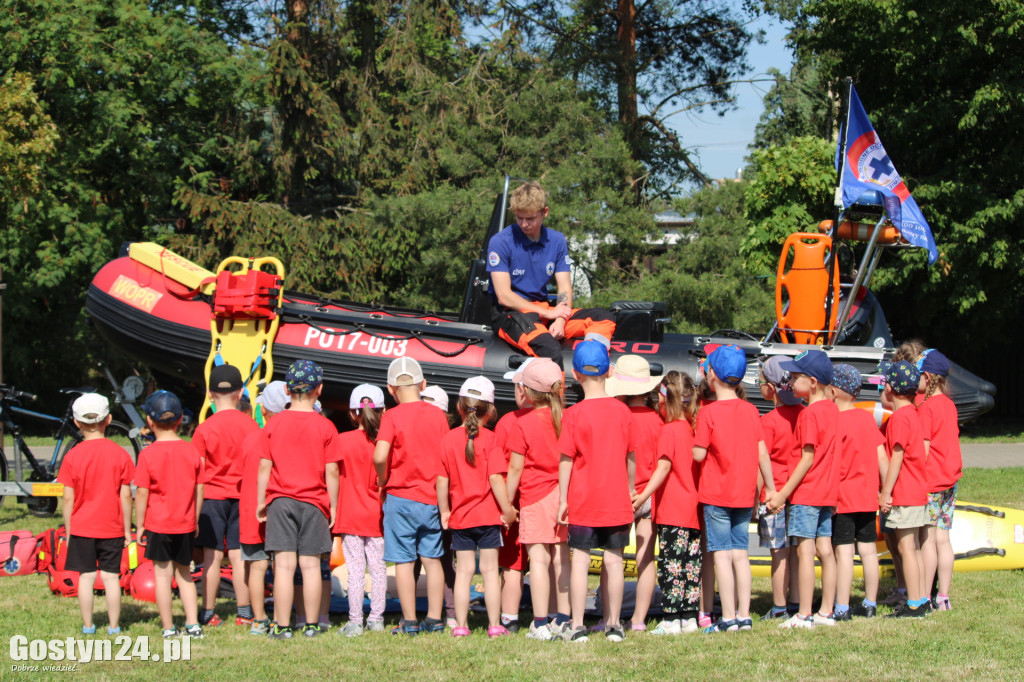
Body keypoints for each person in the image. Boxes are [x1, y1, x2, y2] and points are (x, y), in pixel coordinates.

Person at [556, 340, 635, 643]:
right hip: (616, 499)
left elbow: (566, 460)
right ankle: (614, 624)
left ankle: (577, 626)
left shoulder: (573, 415)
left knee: (580, 560)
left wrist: (563, 499)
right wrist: (630, 488)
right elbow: (631, 457)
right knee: (614, 560)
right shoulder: (623, 412)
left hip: (583, 499)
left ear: (575, 374)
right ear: (610, 372)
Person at [693, 344, 775, 633]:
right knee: (741, 553)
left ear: (711, 375)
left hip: (716, 495)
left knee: (721, 555)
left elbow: (700, 455)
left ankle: (726, 617)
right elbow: (763, 453)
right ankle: (744, 615)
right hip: (743, 495)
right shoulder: (752, 411)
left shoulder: (708, 414)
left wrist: (693, 446)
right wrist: (772, 488)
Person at [486, 181, 615, 363]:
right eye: (518, 218)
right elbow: (504, 296)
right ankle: (556, 390)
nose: (524, 224)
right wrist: (547, 314)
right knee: (550, 350)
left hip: (546, 311)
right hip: (512, 314)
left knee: (604, 317)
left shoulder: (556, 240)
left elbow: (564, 288)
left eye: (530, 218)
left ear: (544, 212)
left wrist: (561, 319)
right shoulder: (501, 242)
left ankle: (592, 364)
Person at [257, 360, 340, 639]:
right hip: (315, 502)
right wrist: (334, 506)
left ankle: (281, 625)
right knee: (311, 565)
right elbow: (332, 471)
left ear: (286, 389)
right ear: (320, 389)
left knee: (283, 565)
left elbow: (264, 467)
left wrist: (261, 501)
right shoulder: (326, 427)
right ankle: (312, 624)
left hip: (280, 500)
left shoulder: (274, 423)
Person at [373, 356, 451, 635]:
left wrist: (383, 479)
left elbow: (380, 454)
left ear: (390, 389)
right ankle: (435, 618)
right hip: (431, 497)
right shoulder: (438, 416)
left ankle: (409, 621)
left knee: (404, 562)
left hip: (400, 497)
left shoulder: (391, 416)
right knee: (432, 559)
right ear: (423, 384)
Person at [437, 377, 517, 637]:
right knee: (490, 572)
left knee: (464, 572)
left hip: (461, 517)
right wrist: (507, 510)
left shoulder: (448, 440)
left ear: (460, 407)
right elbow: (496, 478)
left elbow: (442, 480)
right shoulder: (492, 440)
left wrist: (444, 511)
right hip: (487, 516)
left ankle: (461, 626)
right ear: (491, 411)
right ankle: (494, 625)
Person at [769, 350, 840, 630]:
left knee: (805, 551)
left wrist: (783, 494)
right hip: (827, 494)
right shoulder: (833, 410)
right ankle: (826, 612)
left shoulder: (809, 414)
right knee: (826, 551)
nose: (790, 380)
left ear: (812, 382)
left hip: (807, 494)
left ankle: (804, 614)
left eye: (795, 376)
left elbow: (806, 458)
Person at [57, 393, 135, 635]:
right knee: (112, 578)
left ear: (77, 423)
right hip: (112, 527)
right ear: (109, 419)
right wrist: (126, 529)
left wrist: (69, 529)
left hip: (81, 527)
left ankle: (88, 626)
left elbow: (68, 497)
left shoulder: (72, 456)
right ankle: (114, 626)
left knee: (86, 578)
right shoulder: (120, 454)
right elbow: (126, 496)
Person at [505, 357, 571, 640]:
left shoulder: (523, 423)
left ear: (528, 392)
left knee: (539, 560)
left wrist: (507, 503)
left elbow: (515, 467)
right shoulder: (568, 418)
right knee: (562, 559)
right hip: (565, 495)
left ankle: (541, 622)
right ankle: (564, 618)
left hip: (534, 496)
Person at [633, 371, 702, 635]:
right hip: (693, 510)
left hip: (672, 511)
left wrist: (643, 495)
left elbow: (663, 467)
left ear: (665, 401)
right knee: (690, 566)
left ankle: (671, 618)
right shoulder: (693, 428)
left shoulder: (668, 431)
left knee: (671, 565)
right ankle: (689, 616)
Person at [191, 364, 259, 627]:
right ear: (240, 392)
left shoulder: (204, 429)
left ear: (210, 394)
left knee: (212, 556)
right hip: (243, 496)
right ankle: (244, 612)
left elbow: (197, 469)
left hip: (212, 496)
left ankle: (208, 612)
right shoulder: (251, 426)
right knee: (239, 554)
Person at [133, 390, 204, 639]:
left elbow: (141, 493)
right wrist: (194, 518)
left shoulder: (147, 454)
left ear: (149, 422)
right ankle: (193, 624)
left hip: (158, 525)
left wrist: (139, 524)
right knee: (185, 574)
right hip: (185, 524)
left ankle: (167, 627)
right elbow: (199, 488)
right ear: (181, 418)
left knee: (162, 577)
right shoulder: (191, 451)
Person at [604, 354, 663, 632]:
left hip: (621, 492)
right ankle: (638, 619)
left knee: (612, 556)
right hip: (650, 494)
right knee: (645, 556)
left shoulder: (617, 417)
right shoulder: (659, 420)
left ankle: (608, 617)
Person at [829, 364, 887, 620]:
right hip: (867, 498)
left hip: (843, 500)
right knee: (868, 551)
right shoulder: (866, 419)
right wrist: (886, 491)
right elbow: (881, 456)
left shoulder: (835, 422)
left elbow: (832, 464)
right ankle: (870, 603)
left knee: (844, 553)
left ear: (835, 391)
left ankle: (841, 607)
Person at [334, 384, 388, 637]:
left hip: (350, 515)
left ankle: (355, 622)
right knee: (378, 569)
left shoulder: (341, 442)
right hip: (377, 516)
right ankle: (376, 619)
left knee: (355, 571)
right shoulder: (385, 445)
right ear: (383, 412)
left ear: (352, 414)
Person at [879, 360, 930, 618]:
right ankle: (921, 599)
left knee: (906, 548)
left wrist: (886, 492)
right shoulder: (914, 414)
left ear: (889, 388)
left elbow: (896, 457)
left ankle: (913, 605)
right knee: (915, 548)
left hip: (905, 493)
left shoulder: (899, 418)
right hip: (918, 492)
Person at [238, 380, 288, 636]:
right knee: (282, 565)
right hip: (280, 508)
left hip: (250, 509)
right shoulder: (287, 438)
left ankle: (258, 619)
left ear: (264, 411)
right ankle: (281, 616)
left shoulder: (252, 439)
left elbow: (240, 472)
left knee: (256, 565)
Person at [755, 356, 803, 620]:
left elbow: (762, 467)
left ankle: (779, 606)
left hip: (774, 497)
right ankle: (796, 601)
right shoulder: (806, 415)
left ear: (771, 389)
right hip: (800, 496)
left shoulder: (769, 422)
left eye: (760, 380)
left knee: (779, 554)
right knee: (797, 551)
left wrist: (754, 498)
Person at [493, 361, 537, 634]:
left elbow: (504, 466)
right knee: (550, 561)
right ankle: (555, 613)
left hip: (516, 500)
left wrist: (505, 506)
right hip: (549, 499)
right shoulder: (560, 417)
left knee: (512, 564)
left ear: (522, 390)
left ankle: (509, 616)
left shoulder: (508, 422)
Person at [916, 349, 961, 612]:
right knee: (944, 540)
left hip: (931, 483)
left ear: (928, 377)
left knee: (927, 541)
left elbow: (923, 450)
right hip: (950, 482)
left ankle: (923, 595)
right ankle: (943, 596)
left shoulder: (927, 409)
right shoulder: (949, 405)